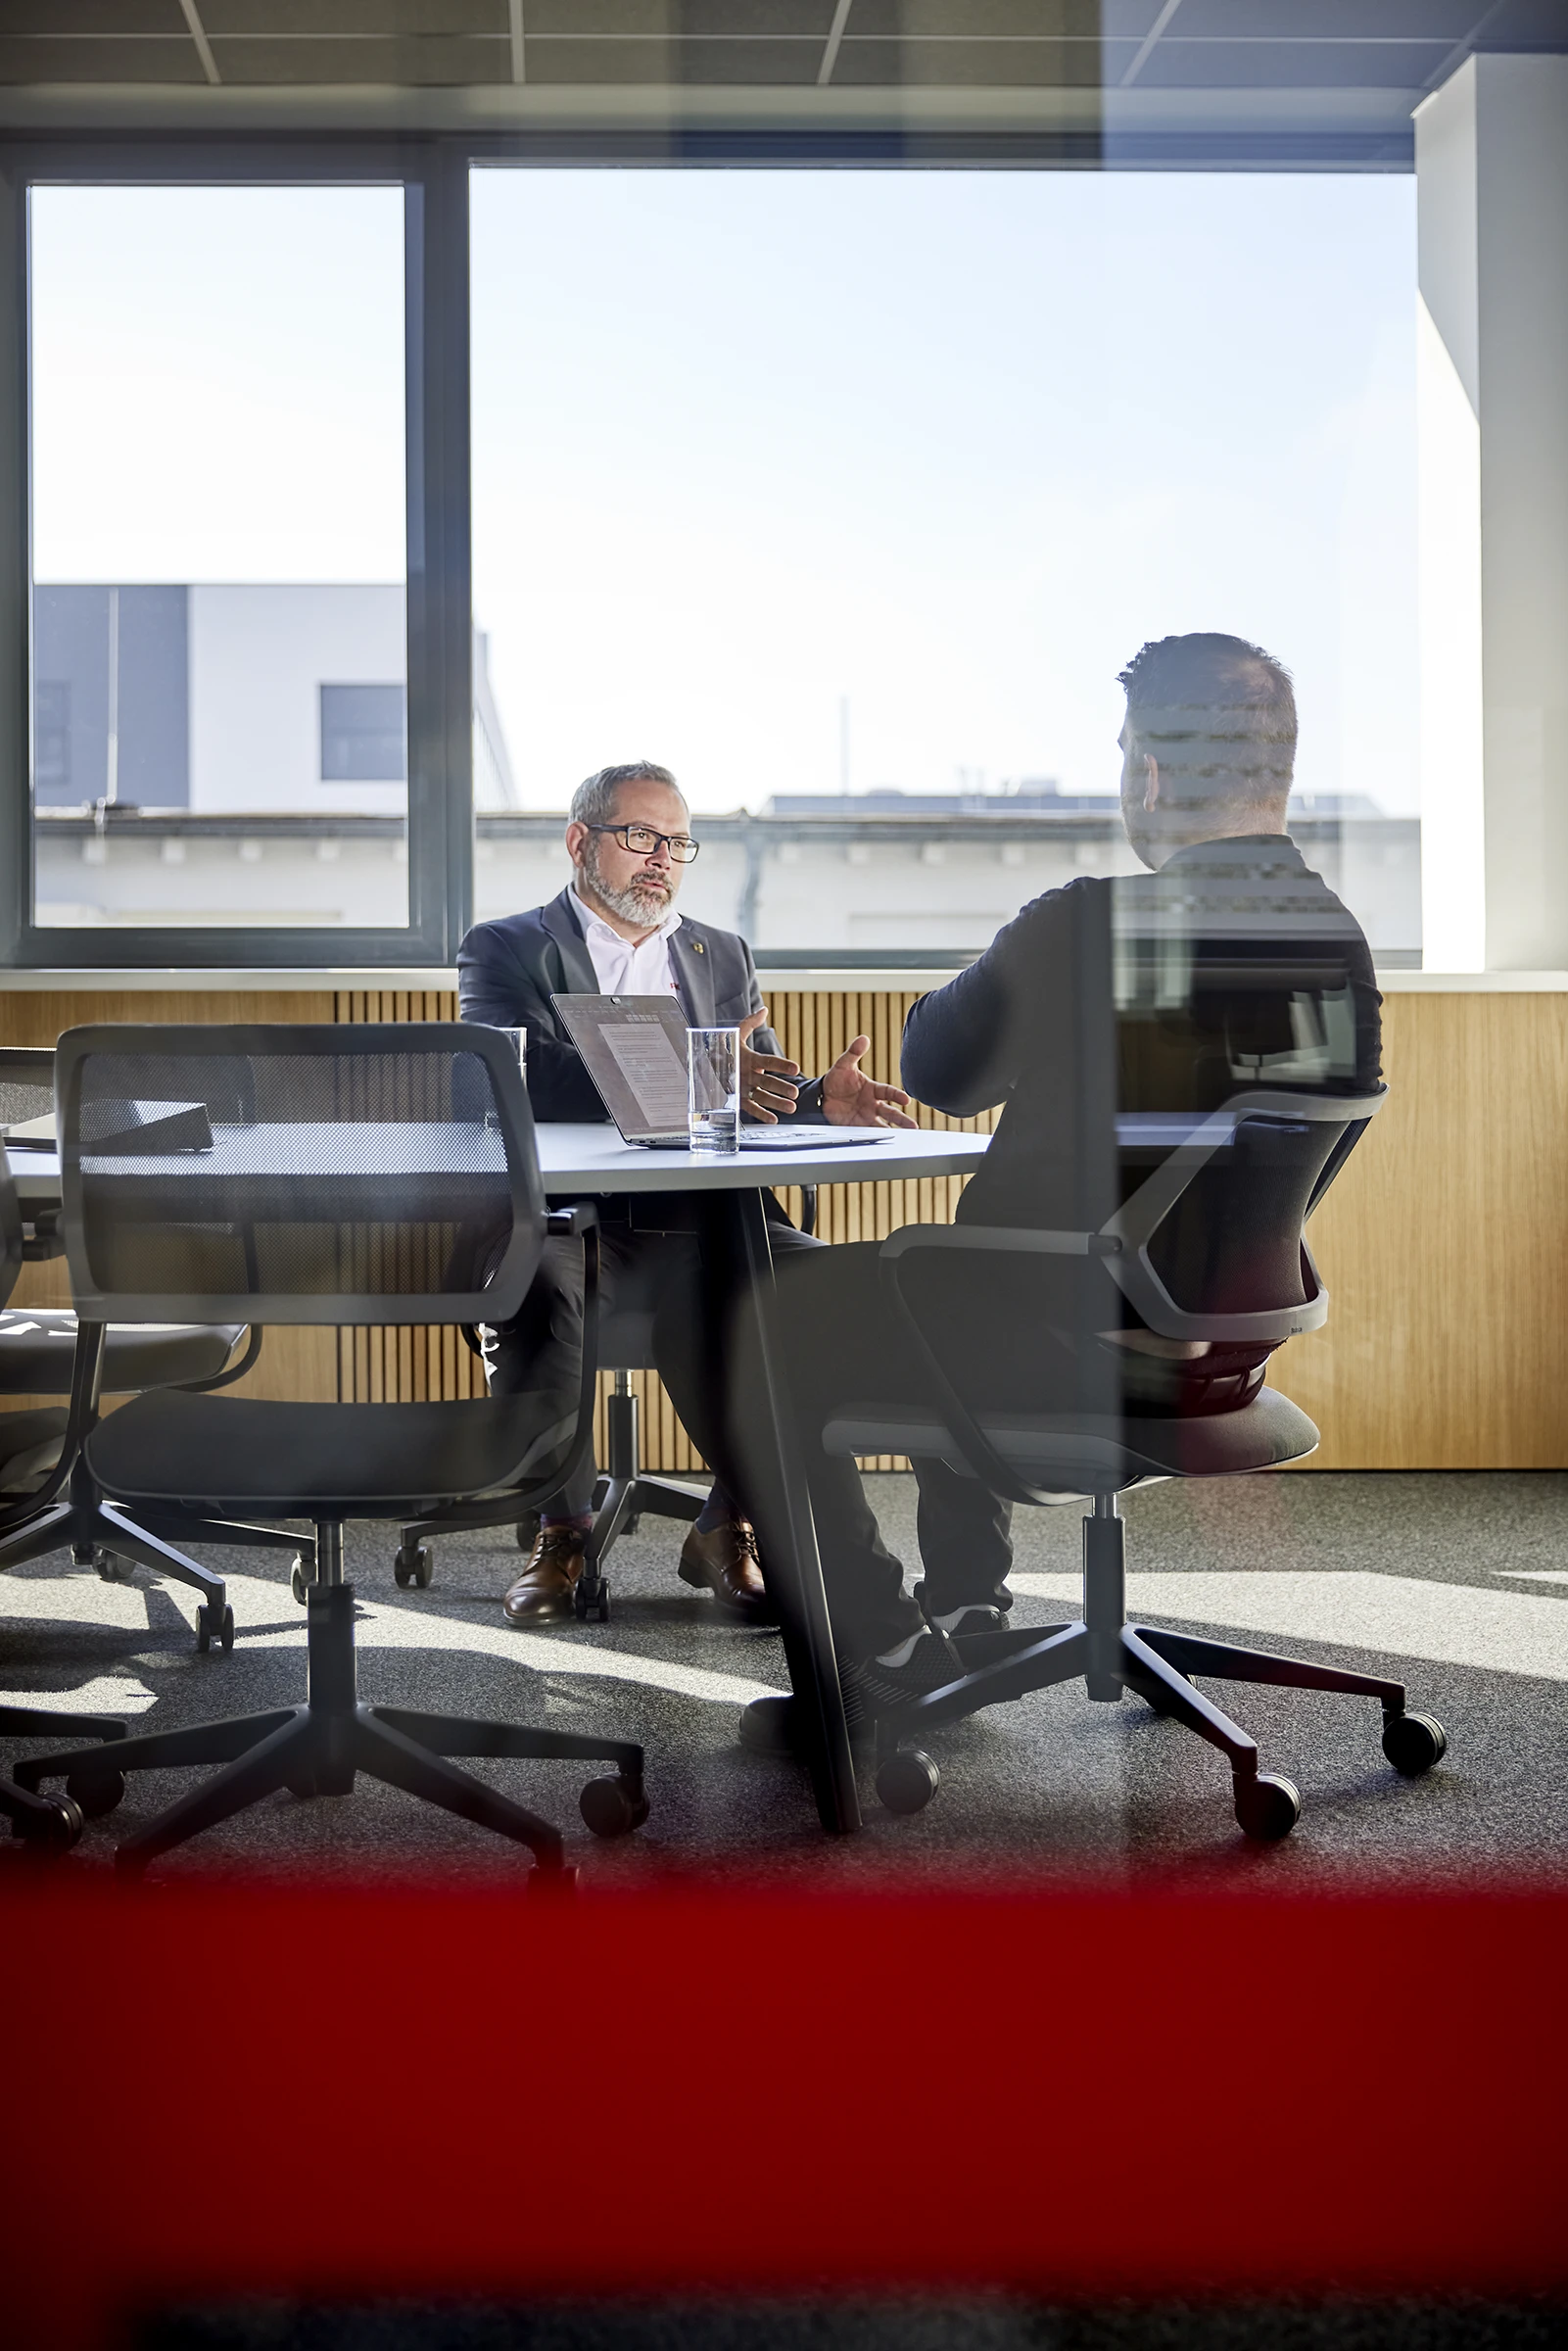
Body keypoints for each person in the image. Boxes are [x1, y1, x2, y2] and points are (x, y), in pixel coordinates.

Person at [703, 634, 1384, 1720]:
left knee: (748, 1321)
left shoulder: (1085, 921)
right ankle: (967, 1608)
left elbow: (935, 1070)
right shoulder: (1340, 947)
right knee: (933, 1270)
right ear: (1277, 769)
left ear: (1150, 772)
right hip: (1218, 1352)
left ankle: (877, 1656)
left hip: (1057, 1349)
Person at [457, 758, 916, 1627]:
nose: (660, 858)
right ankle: (561, 1531)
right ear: (580, 842)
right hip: (573, 1221)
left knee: (801, 1291)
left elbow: (751, 1089)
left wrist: (814, 1098)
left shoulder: (719, 952)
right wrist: (701, 1076)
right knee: (533, 1284)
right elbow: (518, 1078)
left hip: (705, 1218)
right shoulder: (507, 947)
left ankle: (726, 1522)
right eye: (639, 836)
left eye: (675, 841)